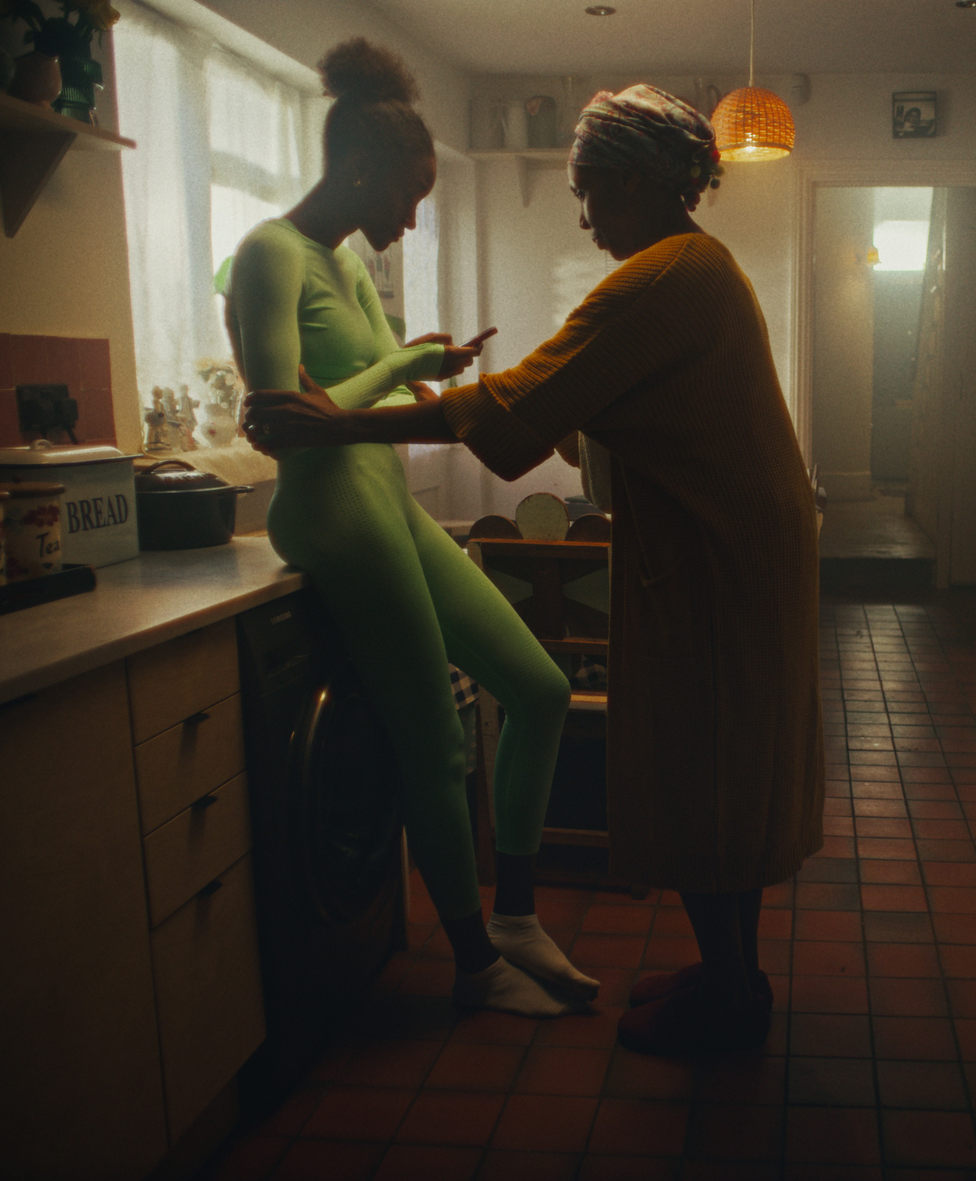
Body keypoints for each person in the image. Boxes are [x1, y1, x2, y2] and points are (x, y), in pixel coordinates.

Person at [244, 84, 826, 1055]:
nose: (586, 214)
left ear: (642, 183)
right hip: (728, 549)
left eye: (593, 190)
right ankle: (730, 970)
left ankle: (731, 990)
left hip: (719, 562)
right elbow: (585, 406)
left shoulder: (665, 273)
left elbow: (519, 403)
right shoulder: (696, 266)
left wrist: (342, 421)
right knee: (716, 761)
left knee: (706, 765)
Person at [226, 38, 597, 1018]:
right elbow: (278, 424)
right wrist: (395, 371)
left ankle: (513, 916)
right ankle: (476, 965)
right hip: (333, 516)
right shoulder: (269, 252)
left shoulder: (342, 267)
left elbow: (332, 402)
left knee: (539, 687)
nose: (414, 214)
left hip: (385, 501)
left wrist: (408, 361)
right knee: (435, 747)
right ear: (359, 169)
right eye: (410, 193)